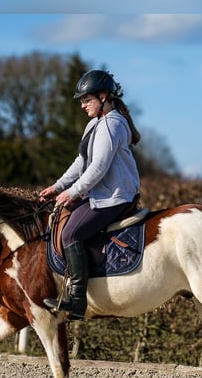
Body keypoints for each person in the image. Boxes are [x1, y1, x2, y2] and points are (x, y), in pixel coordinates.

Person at [39, 69, 141, 320]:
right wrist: (58, 186)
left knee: (71, 233)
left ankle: (76, 299)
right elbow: (82, 161)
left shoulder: (113, 124)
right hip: (101, 194)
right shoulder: (95, 123)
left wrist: (73, 191)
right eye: (82, 101)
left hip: (116, 196)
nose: (83, 105)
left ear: (104, 96)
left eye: (87, 99)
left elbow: (98, 167)